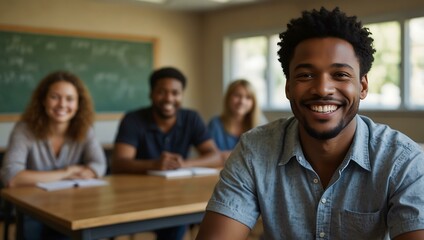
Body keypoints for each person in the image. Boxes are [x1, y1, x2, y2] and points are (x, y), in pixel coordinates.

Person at [195, 7, 424, 240]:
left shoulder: (402, 161)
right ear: (288, 87)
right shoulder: (254, 150)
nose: (323, 89)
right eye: (305, 75)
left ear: (363, 87)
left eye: (341, 75)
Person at [112, 66, 221, 240]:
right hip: (137, 197)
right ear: (151, 94)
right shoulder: (133, 119)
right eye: (161, 92)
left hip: (177, 196)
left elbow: (214, 156)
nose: (169, 98)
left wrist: (184, 164)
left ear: (182, 95)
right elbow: (118, 163)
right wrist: (153, 164)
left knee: (179, 224)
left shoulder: (191, 118)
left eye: (175, 93)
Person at [1, 70, 107, 239]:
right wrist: (67, 172)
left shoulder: (85, 129)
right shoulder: (24, 129)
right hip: (33, 208)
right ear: (43, 100)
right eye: (55, 97)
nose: (62, 104)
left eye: (70, 99)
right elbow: (12, 177)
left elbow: (99, 165)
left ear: (79, 104)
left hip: (72, 207)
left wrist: (90, 171)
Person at [208, 79, 265, 162]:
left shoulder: (260, 124)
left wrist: (225, 155)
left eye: (248, 97)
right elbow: (211, 157)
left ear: (254, 102)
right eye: (237, 95)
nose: (242, 101)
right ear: (228, 98)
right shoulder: (215, 124)